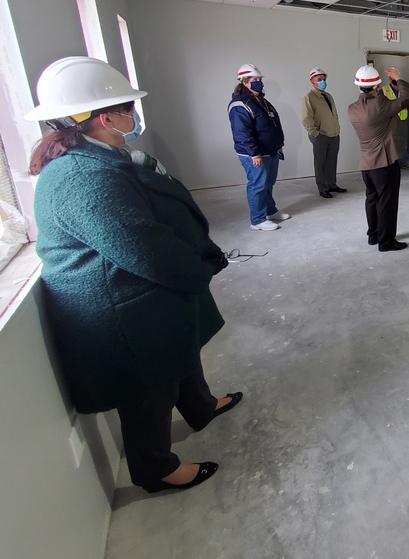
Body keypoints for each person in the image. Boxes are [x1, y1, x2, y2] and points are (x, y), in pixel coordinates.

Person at [25, 56, 242, 494]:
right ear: (106, 117)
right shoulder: (79, 177)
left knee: (180, 352)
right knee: (149, 391)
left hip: (140, 294)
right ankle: (156, 469)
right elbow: (144, 248)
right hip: (119, 307)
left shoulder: (101, 156)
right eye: (128, 108)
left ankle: (200, 406)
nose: (133, 116)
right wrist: (197, 266)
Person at [348, 65, 409, 252]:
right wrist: (399, 79)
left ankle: (374, 235)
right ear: (377, 87)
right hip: (384, 162)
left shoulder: (352, 109)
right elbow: (406, 99)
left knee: (372, 199)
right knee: (387, 202)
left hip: (366, 164)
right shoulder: (380, 104)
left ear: (359, 87)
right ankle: (387, 241)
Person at [228, 63, 289, 231]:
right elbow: (242, 133)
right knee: (258, 184)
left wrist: (279, 145)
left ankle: (270, 211)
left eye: (260, 79)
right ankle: (257, 220)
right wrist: (254, 154)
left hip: (270, 151)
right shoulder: (240, 104)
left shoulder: (262, 101)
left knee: (268, 183)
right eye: (255, 80)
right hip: (254, 154)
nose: (259, 83)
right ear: (244, 82)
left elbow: (273, 125)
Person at [301, 67, 346, 199]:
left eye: (324, 79)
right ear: (312, 81)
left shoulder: (328, 96)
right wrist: (315, 133)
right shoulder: (308, 97)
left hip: (333, 134)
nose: (322, 82)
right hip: (320, 136)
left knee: (332, 161)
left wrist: (337, 129)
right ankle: (322, 187)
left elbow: (334, 114)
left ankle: (332, 184)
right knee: (320, 162)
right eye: (319, 80)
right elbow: (306, 118)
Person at [382, 75, 409, 170]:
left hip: (403, 117)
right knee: (391, 141)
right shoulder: (384, 90)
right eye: (394, 83)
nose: (397, 86)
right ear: (390, 81)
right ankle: (393, 163)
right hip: (391, 119)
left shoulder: (403, 88)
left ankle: (403, 162)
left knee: (404, 140)